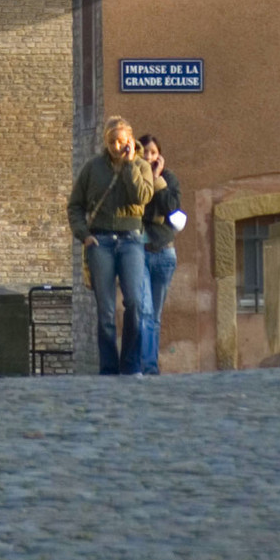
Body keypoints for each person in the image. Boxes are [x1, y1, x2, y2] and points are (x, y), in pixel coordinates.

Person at [67, 116, 156, 375]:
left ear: (130, 140)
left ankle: (131, 365)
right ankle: (108, 367)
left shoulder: (141, 166)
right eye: (112, 142)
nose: (117, 146)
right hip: (100, 242)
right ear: (106, 143)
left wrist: (128, 166)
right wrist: (83, 234)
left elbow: (143, 197)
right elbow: (75, 205)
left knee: (135, 303)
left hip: (131, 240)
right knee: (105, 310)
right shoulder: (93, 168)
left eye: (122, 141)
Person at [126, 135, 183, 376]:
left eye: (152, 153)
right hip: (140, 252)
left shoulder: (168, 179)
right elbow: (139, 206)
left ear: (159, 156)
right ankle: (145, 366)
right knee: (144, 311)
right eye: (144, 153)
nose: (148, 157)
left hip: (165, 253)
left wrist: (157, 179)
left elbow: (171, 207)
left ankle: (150, 365)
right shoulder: (133, 177)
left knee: (155, 315)